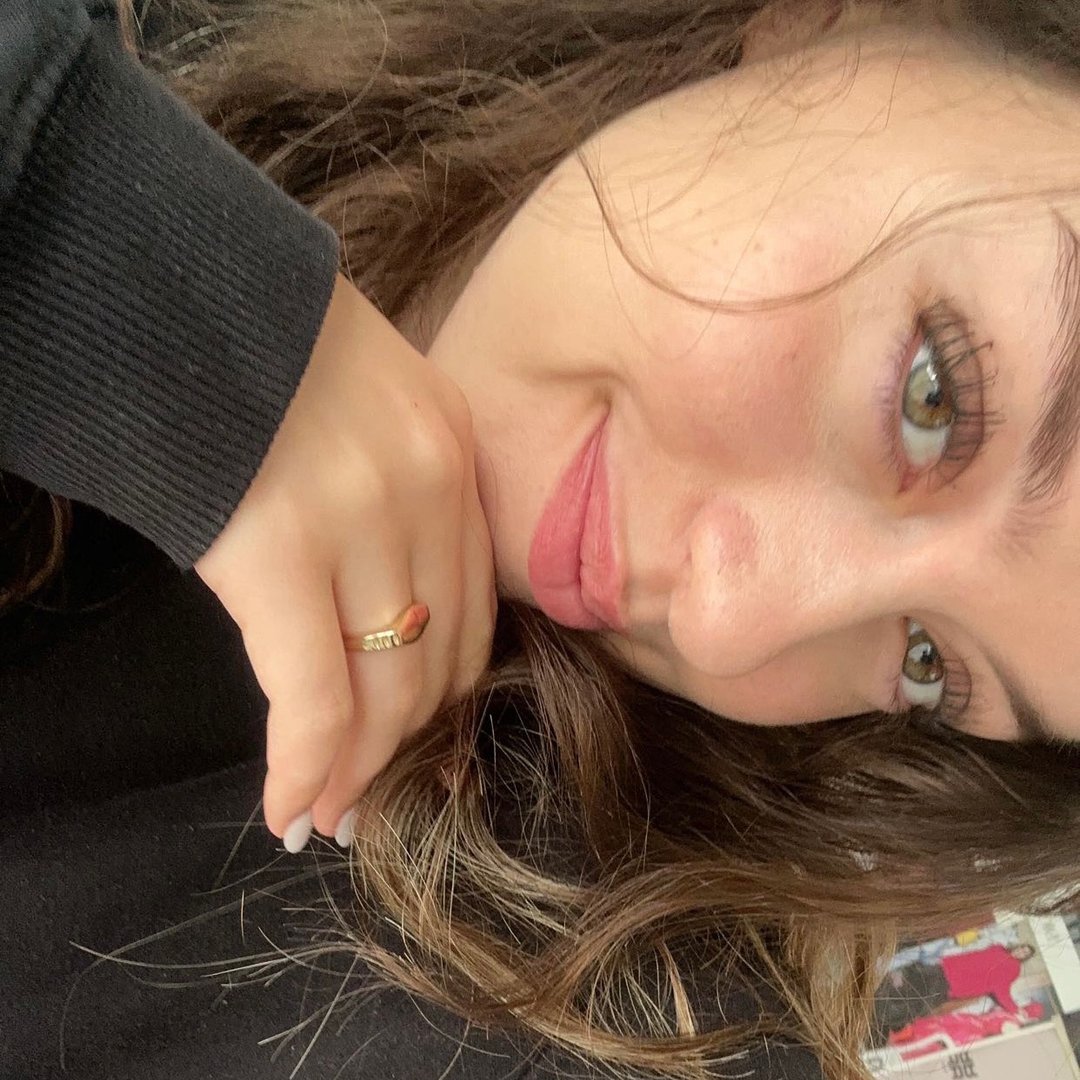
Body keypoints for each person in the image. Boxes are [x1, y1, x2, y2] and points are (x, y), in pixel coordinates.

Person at [3, 1, 1080, 1079]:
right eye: (933, 394)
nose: (724, 626)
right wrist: (90, 214)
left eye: (928, 663)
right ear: (845, 21)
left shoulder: (591, 1016)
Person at [877, 944, 1036, 1036]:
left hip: (953, 984)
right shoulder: (998, 949)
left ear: (1024, 958)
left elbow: (1001, 990)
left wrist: (1015, 1009)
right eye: (1022, 948)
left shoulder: (1013, 968)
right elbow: (970, 953)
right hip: (944, 968)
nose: (1020, 951)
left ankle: (884, 1017)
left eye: (1024, 953)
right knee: (912, 984)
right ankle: (883, 1006)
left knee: (918, 1001)